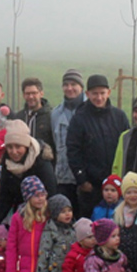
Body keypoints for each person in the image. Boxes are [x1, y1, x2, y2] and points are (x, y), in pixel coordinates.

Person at [67, 74, 130, 219]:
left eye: (102, 93)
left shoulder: (119, 117)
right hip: (91, 187)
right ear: (87, 94)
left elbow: (127, 147)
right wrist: (82, 180)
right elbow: (73, 150)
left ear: (109, 93)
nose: (99, 98)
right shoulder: (79, 119)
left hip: (116, 184)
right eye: (94, 94)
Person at [0, 120, 58, 231]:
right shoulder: (7, 162)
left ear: (26, 146)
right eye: (10, 147)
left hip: (42, 217)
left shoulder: (41, 162)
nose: (14, 152)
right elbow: (5, 198)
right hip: (20, 217)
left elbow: (51, 194)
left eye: (18, 147)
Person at [52, 69, 86, 213]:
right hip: (63, 178)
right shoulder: (56, 113)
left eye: (73, 84)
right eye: (66, 84)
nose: (69, 88)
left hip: (84, 179)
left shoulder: (89, 110)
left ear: (81, 87)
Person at [10, 77, 54, 151]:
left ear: (41, 94)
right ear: (23, 95)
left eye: (34, 93)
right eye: (27, 93)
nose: (31, 97)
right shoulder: (18, 118)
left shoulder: (51, 116)